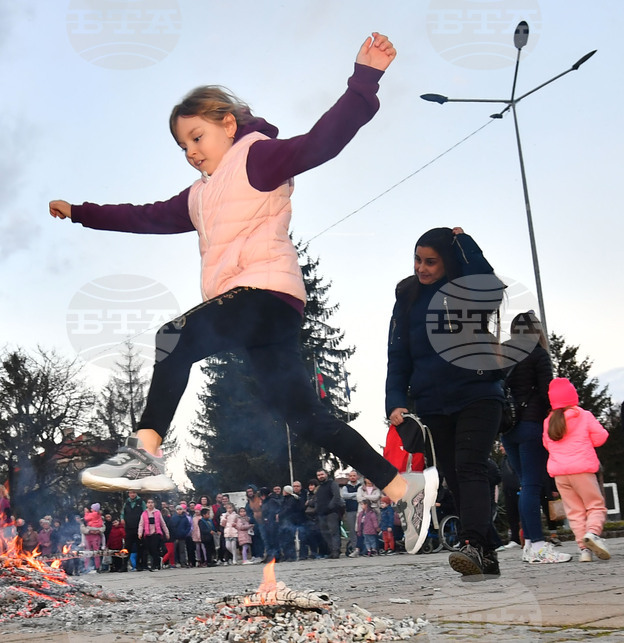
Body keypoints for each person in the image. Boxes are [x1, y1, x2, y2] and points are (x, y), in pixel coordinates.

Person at [50, 33, 433, 551]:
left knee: (173, 338)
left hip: (264, 294)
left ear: (227, 125)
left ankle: (145, 450)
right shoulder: (200, 195)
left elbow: (321, 143)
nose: (190, 152)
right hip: (260, 314)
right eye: (183, 146)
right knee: (306, 417)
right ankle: (400, 484)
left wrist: (364, 80)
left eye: (197, 138)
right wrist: (83, 213)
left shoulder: (256, 158)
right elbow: (144, 217)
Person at [386, 227, 503, 578]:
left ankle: (473, 545)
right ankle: (488, 549)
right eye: (418, 260)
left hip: (478, 392)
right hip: (433, 402)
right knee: (453, 474)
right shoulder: (407, 297)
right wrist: (394, 401)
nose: (422, 268)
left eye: (431, 262)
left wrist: (464, 242)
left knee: (470, 466)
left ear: (448, 261)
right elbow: (398, 355)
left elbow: (490, 287)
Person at [501, 312, 566, 563]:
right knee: (531, 485)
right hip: (531, 425)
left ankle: (528, 542)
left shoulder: (504, 354)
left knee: (523, 485)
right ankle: (538, 545)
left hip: (507, 428)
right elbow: (548, 391)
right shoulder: (538, 354)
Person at [542, 378, 611, 563]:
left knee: (574, 512)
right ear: (573, 396)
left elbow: (546, 445)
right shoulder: (583, 415)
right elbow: (601, 437)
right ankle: (592, 534)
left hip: (560, 474)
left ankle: (584, 550)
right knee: (595, 505)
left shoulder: (549, 421)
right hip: (582, 470)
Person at [314, 470, 343, 559]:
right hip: (321, 514)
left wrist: (330, 506)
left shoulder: (332, 484)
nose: (320, 476)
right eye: (318, 475)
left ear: (326, 474)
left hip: (331, 513)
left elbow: (336, 496)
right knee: (325, 533)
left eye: (322, 474)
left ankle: (336, 551)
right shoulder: (319, 488)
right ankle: (332, 550)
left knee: (334, 532)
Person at [137, 499, 169, 571]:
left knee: (154, 549)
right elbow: (141, 524)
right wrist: (140, 533)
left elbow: (163, 524)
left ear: (154, 504)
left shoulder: (157, 512)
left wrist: (167, 533)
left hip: (156, 533)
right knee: (150, 550)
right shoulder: (144, 513)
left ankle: (155, 565)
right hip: (147, 534)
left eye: (152, 502)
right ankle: (158, 562)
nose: (150, 504)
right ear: (146, 504)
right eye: (149, 503)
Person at [341, 471, 361, 558]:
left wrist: (352, 496)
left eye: (354, 476)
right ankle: (354, 548)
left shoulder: (361, 486)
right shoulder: (345, 487)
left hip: (361, 511)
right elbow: (344, 495)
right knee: (352, 531)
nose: (352, 477)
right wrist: (356, 495)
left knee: (362, 530)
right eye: (351, 476)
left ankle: (363, 548)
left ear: (357, 477)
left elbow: (362, 495)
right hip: (350, 511)